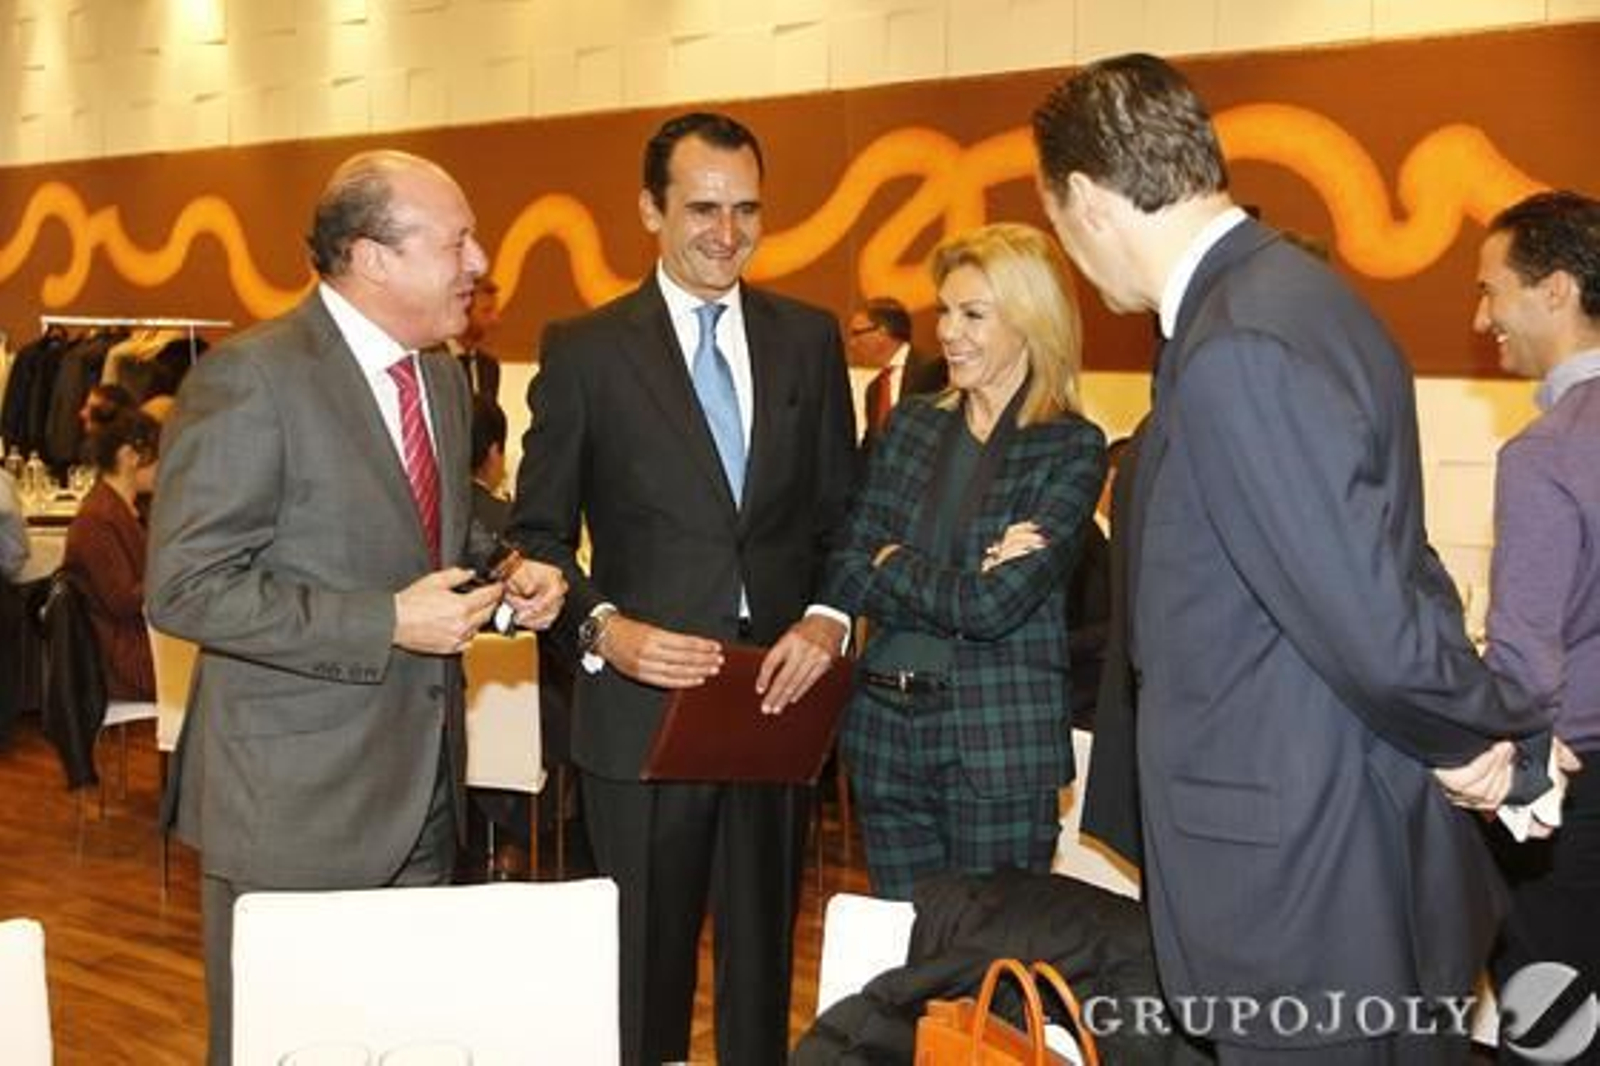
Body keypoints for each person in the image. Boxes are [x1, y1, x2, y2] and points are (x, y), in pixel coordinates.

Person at [1032, 54, 1562, 1063]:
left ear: (1088, 200)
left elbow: (1362, 604)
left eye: (1057, 222)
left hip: (1292, 859)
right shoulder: (1300, 297)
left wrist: (1493, 747)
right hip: (1326, 823)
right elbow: (1387, 568)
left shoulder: (1238, 340)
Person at [146, 149, 567, 1065]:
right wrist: (385, 623)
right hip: (295, 809)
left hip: (423, 793)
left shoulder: (443, 379)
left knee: (398, 1042)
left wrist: (507, 570)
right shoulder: (251, 378)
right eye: (458, 240)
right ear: (373, 257)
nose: (481, 261)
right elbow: (184, 585)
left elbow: (418, 535)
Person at [507, 111, 857, 1066]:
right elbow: (532, 537)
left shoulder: (809, 340)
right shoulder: (584, 349)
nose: (727, 232)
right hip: (639, 709)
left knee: (760, 984)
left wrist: (828, 622)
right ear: (649, 209)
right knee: (641, 985)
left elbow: (844, 518)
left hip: (772, 704)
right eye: (703, 207)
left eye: (747, 209)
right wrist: (604, 629)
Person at [819, 222, 1105, 900]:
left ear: (1030, 323)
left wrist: (896, 559)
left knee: (990, 973)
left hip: (994, 744)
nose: (948, 332)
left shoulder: (1069, 447)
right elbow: (850, 564)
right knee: (909, 966)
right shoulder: (912, 425)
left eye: (973, 314)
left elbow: (996, 606)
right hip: (885, 734)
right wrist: (948, 573)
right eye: (945, 311)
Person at [1473, 189, 1600, 1062]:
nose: (1482, 318)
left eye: (1492, 290)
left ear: (1556, 289)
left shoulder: (1548, 453)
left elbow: (1523, 670)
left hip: (1573, 805)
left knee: (1556, 1035)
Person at [62, 407, 161, 700]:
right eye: (160, 457)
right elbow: (122, 601)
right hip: (125, 656)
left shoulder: (124, 509)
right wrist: (174, 569)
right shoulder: (98, 518)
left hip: (136, 639)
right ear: (130, 456)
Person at [850, 295, 948, 452]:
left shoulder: (933, 369)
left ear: (882, 331)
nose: (852, 344)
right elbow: (872, 446)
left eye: (857, 333)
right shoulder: (874, 389)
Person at [453, 275, 503, 401]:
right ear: (462, 313)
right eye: (487, 311)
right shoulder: (429, 361)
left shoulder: (490, 367)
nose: (495, 320)